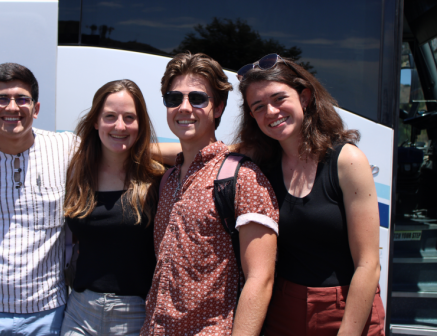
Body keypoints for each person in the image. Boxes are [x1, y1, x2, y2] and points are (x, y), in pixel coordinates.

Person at [234, 53, 385, 335]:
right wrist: (136, 152)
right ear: (253, 117)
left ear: (304, 97)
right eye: (259, 107)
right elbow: (203, 153)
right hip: (283, 310)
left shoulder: (346, 160)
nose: (271, 112)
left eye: (279, 99)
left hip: (345, 311)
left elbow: (368, 264)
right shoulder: (259, 163)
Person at [141, 52, 279, 336]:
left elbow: (260, 278)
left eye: (198, 98)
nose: (184, 107)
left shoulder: (242, 178)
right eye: (174, 98)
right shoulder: (168, 180)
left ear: (218, 108)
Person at [0, 63, 76, 335]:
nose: (12, 108)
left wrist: (191, 148)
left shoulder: (67, 148)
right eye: (1, 99)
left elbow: (124, 149)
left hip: (48, 312)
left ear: (35, 108)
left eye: (22, 99)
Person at [61, 79, 164, 335]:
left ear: (140, 125)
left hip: (134, 314)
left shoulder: (157, 177)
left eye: (130, 117)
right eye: (110, 116)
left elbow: (195, 151)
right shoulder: (77, 172)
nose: (120, 125)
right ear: (96, 121)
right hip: (79, 310)